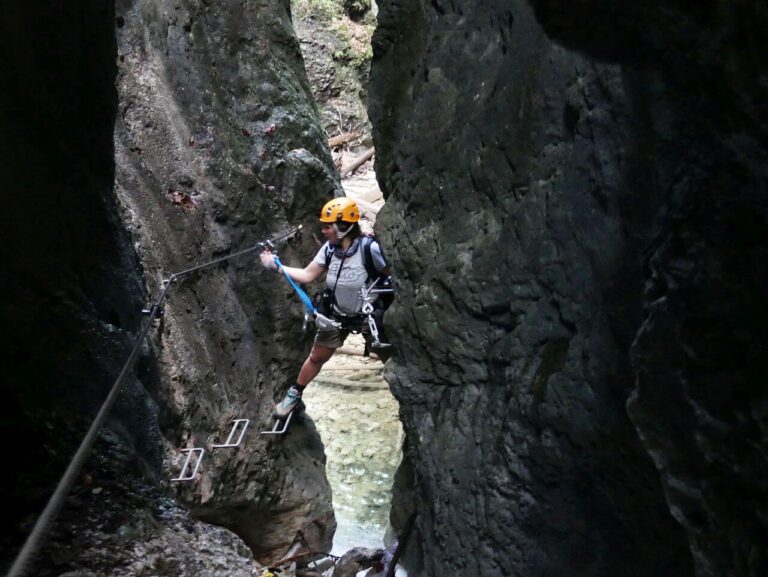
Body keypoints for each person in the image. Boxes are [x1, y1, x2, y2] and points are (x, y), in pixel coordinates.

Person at [260, 197, 390, 418]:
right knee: (316, 357)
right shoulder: (329, 250)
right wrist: (276, 266)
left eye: (327, 226)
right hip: (336, 315)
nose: (323, 230)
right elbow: (307, 275)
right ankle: (295, 394)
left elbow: (391, 275)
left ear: (343, 226)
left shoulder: (369, 248)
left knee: (390, 356)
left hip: (368, 317)